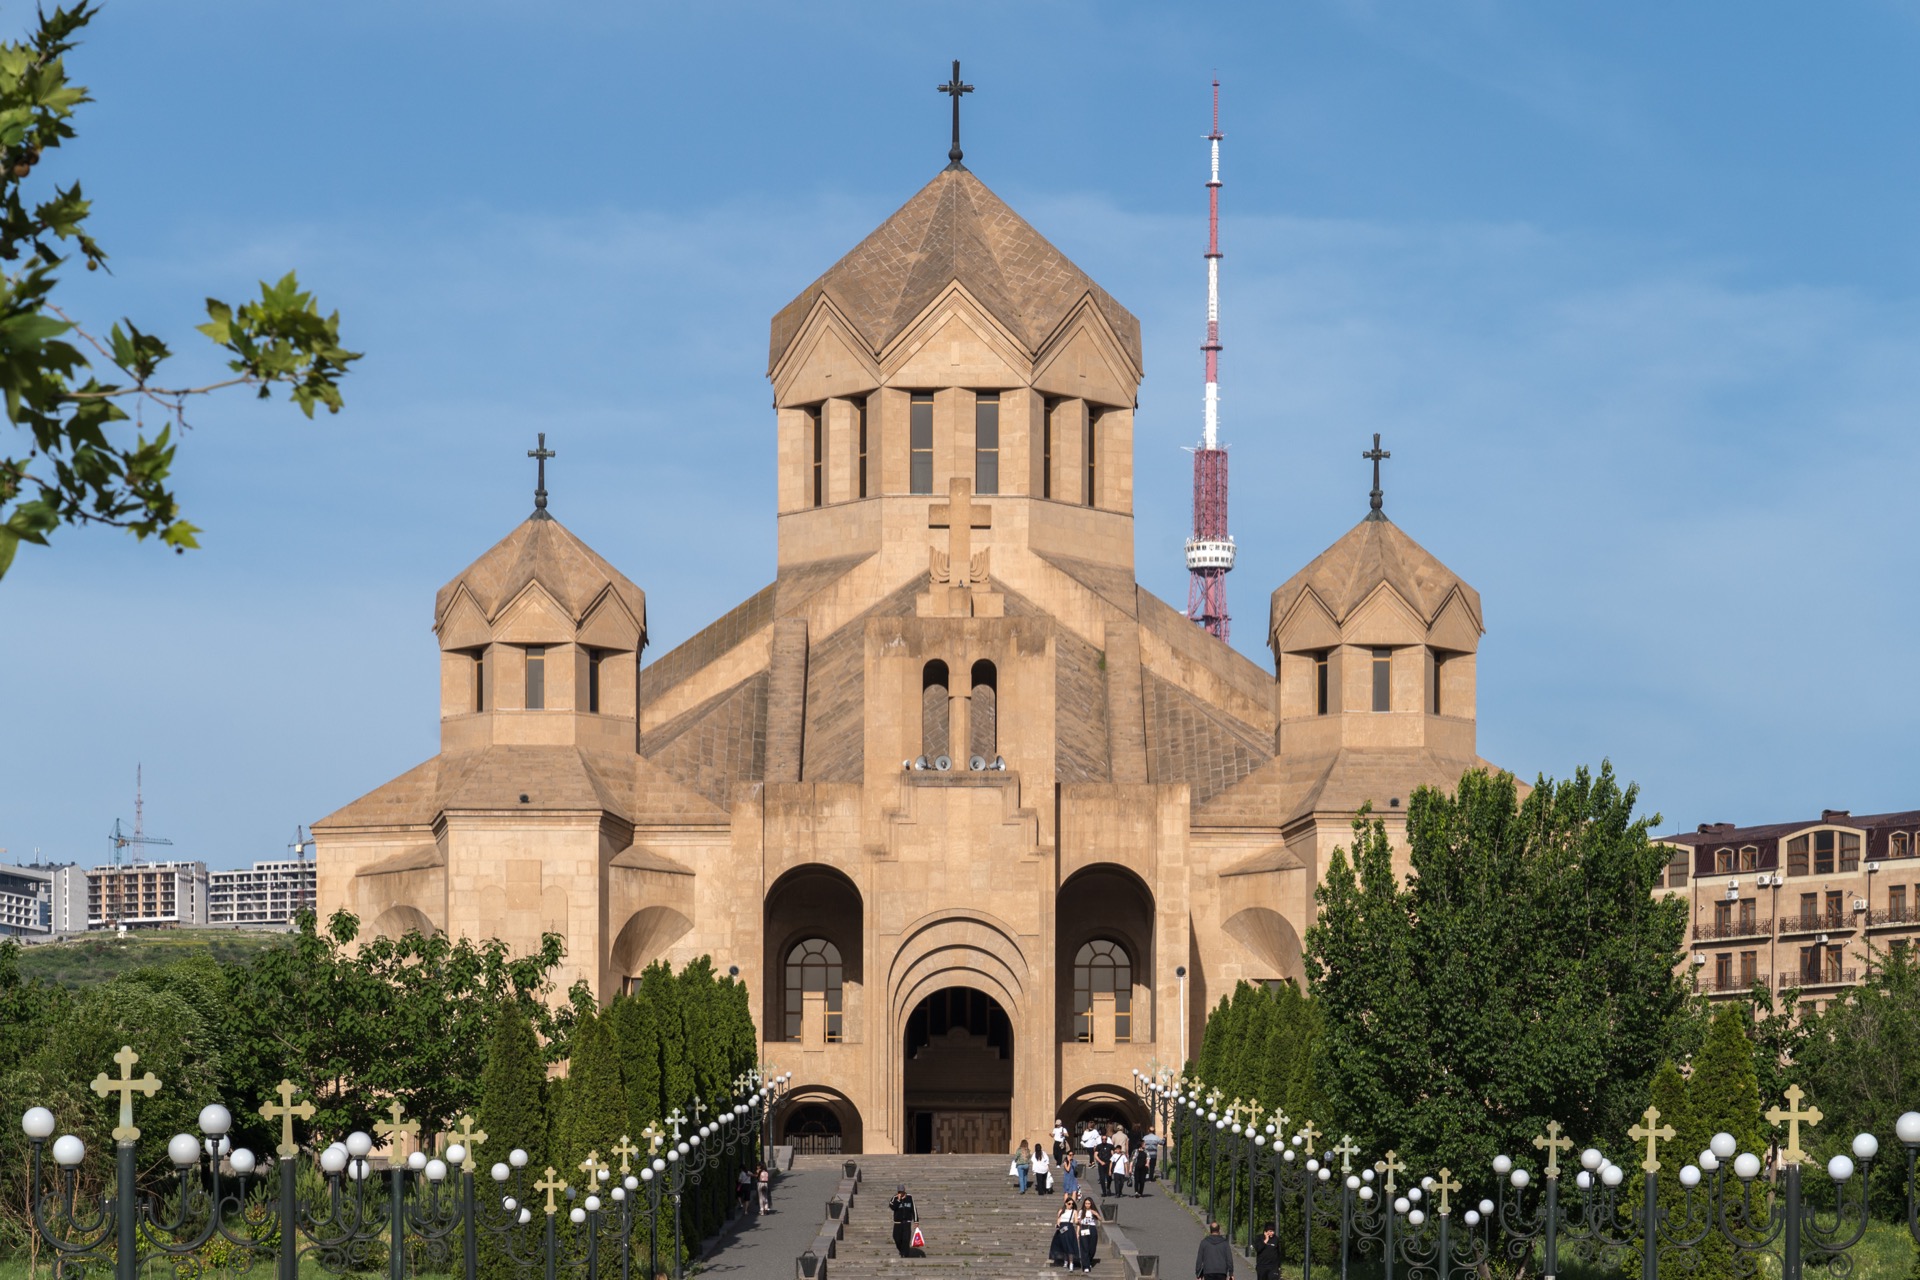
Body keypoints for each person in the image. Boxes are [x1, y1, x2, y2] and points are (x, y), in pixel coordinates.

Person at [890, 1183, 918, 1257]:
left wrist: (916, 1220)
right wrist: (898, 1200)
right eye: (899, 1192)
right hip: (897, 1223)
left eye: (902, 1191)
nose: (901, 1193)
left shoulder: (909, 1197)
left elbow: (913, 1209)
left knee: (906, 1239)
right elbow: (892, 1207)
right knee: (896, 1238)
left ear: (904, 1191)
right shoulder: (894, 1198)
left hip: (907, 1222)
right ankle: (901, 1251)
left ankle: (905, 1255)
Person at [1050, 1194, 1078, 1268]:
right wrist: (1057, 1225)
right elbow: (1058, 1220)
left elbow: (1076, 1221)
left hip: (1070, 1228)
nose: (1071, 1205)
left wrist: (1079, 1222)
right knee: (1063, 1245)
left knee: (1070, 1245)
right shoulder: (1061, 1210)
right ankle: (1065, 1260)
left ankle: (1071, 1263)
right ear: (1065, 1203)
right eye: (1069, 1203)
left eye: (1072, 1204)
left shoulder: (1074, 1211)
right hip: (1062, 1228)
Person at [1076, 1195, 1103, 1271]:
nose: (1087, 1205)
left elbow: (1101, 1219)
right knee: (1084, 1247)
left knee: (1092, 1248)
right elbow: (1079, 1223)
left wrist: (1096, 1214)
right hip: (1084, 1228)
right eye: (1086, 1203)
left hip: (1092, 1229)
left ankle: (1089, 1260)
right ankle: (1086, 1266)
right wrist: (1077, 1233)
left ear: (1091, 1204)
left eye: (1089, 1203)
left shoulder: (1093, 1211)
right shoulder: (1081, 1212)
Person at [1094, 1132, 1114, 1197]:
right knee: (1102, 1178)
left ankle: (1108, 1188)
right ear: (1101, 1139)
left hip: (1108, 1163)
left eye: (1105, 1139)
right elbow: (1095, 1155)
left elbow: (1112, 1154)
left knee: (1109, 1177)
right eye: (1103, 1139)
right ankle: (1104, 1192)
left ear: (1107, 1139)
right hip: (1101, 1164)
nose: (1104, 1140)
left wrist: (1113, 1161)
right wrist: (1100, 1161)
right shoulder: (1099, 1146)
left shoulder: (1110, 1146)